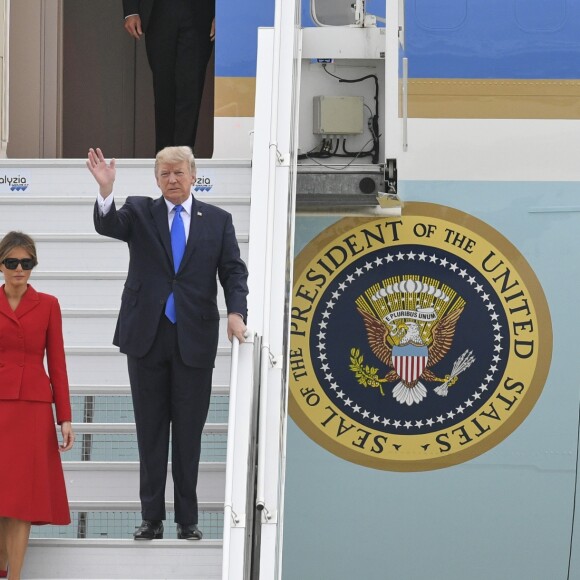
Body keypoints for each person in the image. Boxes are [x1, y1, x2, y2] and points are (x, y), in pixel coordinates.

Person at [87, 146, 248, 540]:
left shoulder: (218, 220)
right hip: (147, 335)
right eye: (164, 174)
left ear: (193, 175)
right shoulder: (140, 211)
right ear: (156, 179)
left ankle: (187, 520)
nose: (172, 180)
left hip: (194, 335)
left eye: (178, 172)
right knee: (151, 431)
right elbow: (109, 225)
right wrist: (106, 190)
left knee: (189, 433)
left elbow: (232, 270)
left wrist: (235, 312)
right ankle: (151, 518)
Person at [0, 232, 74, 580]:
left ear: (34, 265)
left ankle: (14, 576)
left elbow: (57, 363)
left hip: (33, 409)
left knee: (21, 501)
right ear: (1, 265)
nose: (19, 269)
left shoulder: (48, 304)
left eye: (26, 263)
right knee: (3, 496)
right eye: (12, 262)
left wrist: (66, 418)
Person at [122, 0, 215, 153]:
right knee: (163, 89)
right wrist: (131, 10)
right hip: (160, 10)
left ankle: (183, 158)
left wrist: (223, 13)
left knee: (191, 89)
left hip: (200, 12)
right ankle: (164, 159)